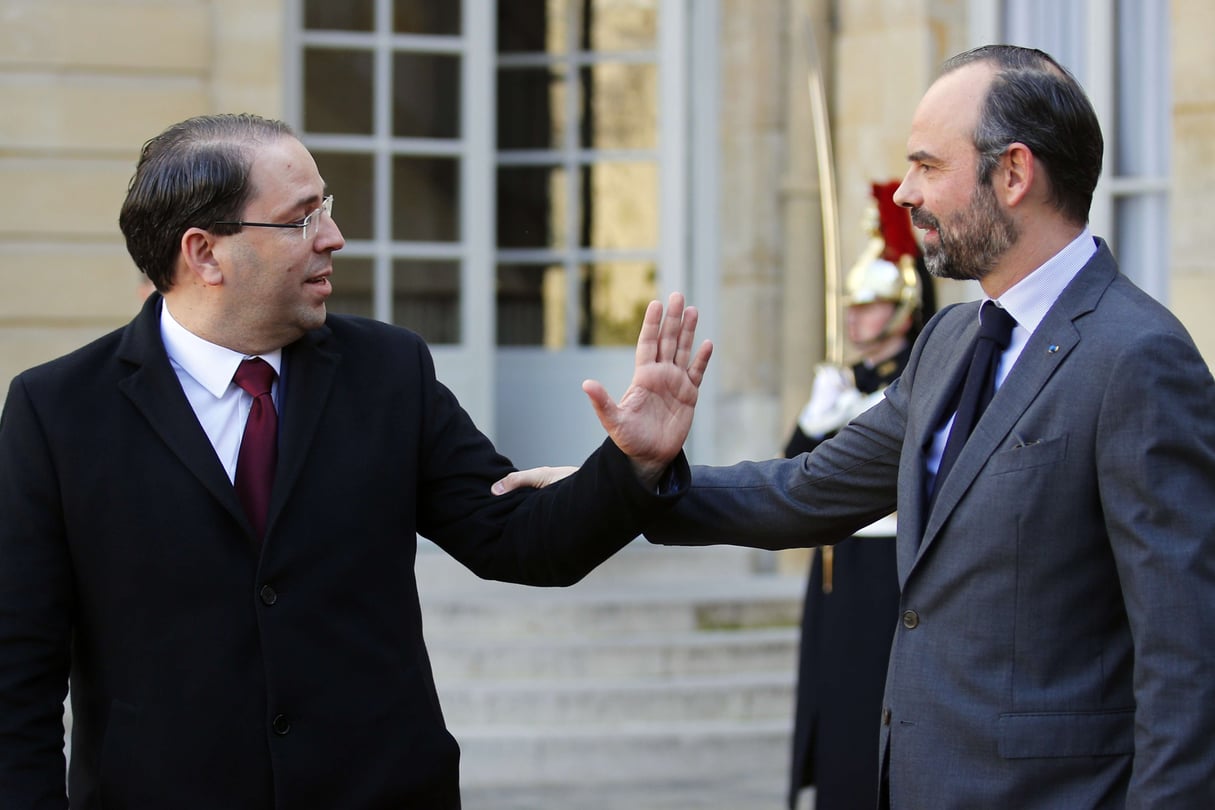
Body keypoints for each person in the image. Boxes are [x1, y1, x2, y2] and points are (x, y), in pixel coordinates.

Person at [500, 45, 1215, 809]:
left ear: (1012, 174)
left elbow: (1188, 657)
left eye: (926, 165)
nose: (904, 193)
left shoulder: (1136, 357)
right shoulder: (948, 342)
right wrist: (622, 479)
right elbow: (807, 491)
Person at [0, 113, 711, 810]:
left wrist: (633, 462)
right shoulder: (56, 411)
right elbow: (17, 672)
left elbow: (520, 539)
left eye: (326, 209)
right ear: (204, 252)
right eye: (302, 218)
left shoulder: (389, 370)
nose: (334, 238)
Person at [784, 181, 928, 810]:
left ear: (901, 309)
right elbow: (792, 477)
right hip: (836, 567)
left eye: (870, 306)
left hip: (886, 570)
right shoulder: (842, 388)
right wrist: (816, 422)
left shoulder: (911, 384)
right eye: (852, 306)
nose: (855, 318)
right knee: (833, 701)